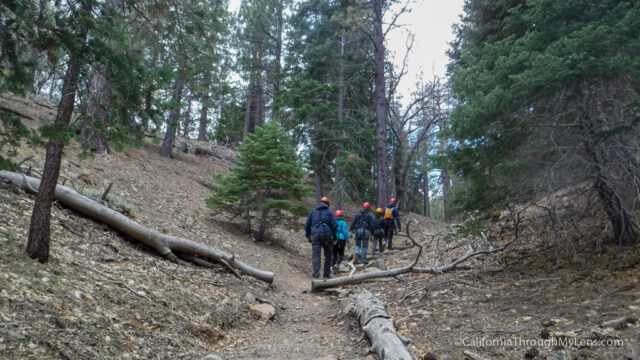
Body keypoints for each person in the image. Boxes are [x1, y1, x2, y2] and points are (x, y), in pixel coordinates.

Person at [305, 197, 337, 279]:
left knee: (316, 255)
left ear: (320, 203)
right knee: (328, 255)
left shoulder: (313, 211)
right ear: (327, 204)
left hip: (316, 234)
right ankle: (326, 275)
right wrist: (335, 238)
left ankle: (316, 275)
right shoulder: (329, 212)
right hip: (327, 234)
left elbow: (307, 225)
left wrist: (308, 236)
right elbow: (334, 225)